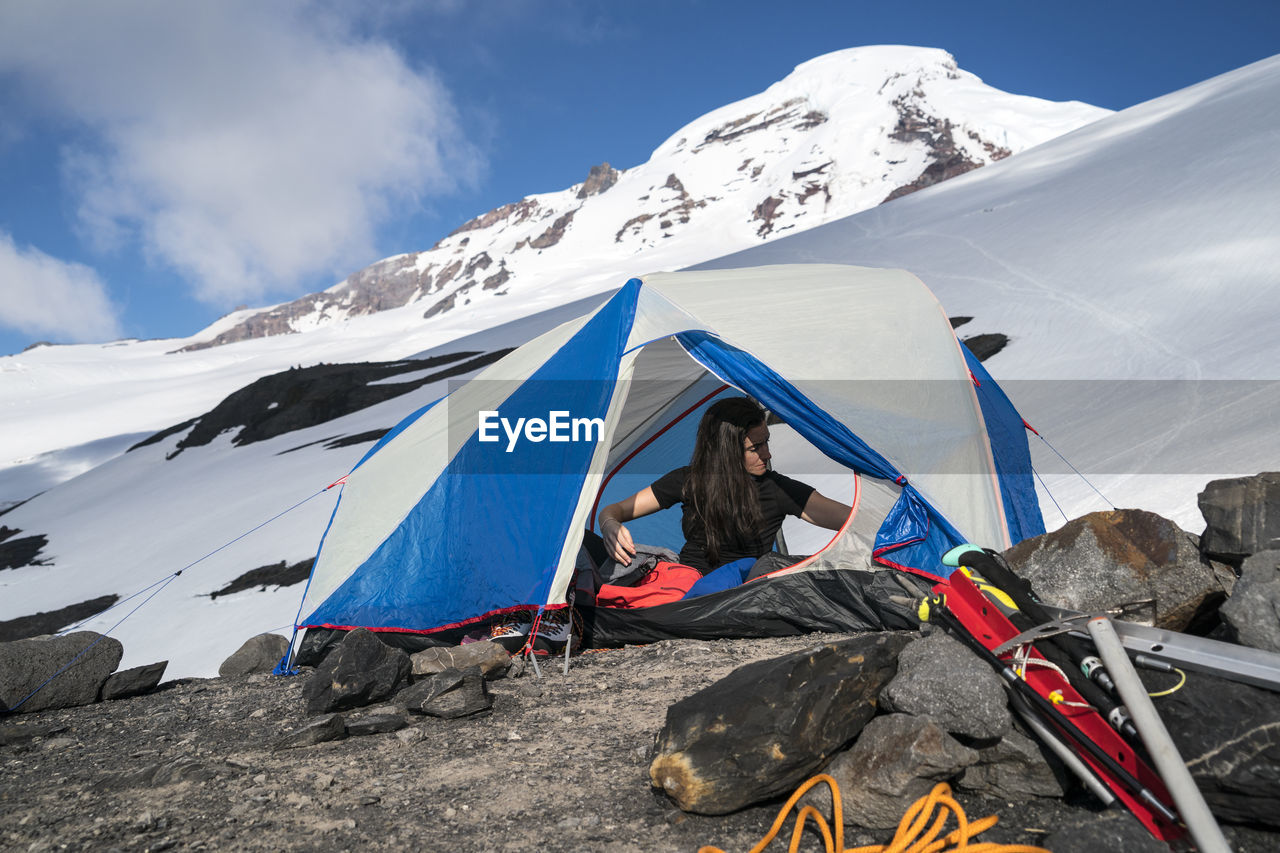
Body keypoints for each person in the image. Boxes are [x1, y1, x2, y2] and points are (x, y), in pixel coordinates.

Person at [597, 396, 851, 581]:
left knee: (775, 567)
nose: (767, 454)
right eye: (755, 448)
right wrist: (609, 524)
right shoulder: (689, 480)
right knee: (584, 548)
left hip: (738, 593)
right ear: (726, 452)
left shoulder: (777, 489)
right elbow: (615, 510)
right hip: (689, 586)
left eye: (766, 443)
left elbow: (850, 519)